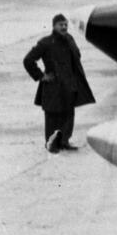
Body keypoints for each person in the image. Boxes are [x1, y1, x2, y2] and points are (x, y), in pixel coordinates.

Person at [23, 13, 96, 152]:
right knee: (52, 116)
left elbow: (77, 56)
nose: (64, 27)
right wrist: (41, 76)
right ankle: (51, 144)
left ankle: (64, 142)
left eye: (65, 24)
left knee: (68, 115)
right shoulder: (45, 42)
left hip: (69, 85)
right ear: (54, 26)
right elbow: (28, 60)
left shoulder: (69, 39)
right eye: (60, 25)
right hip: (53, 86)